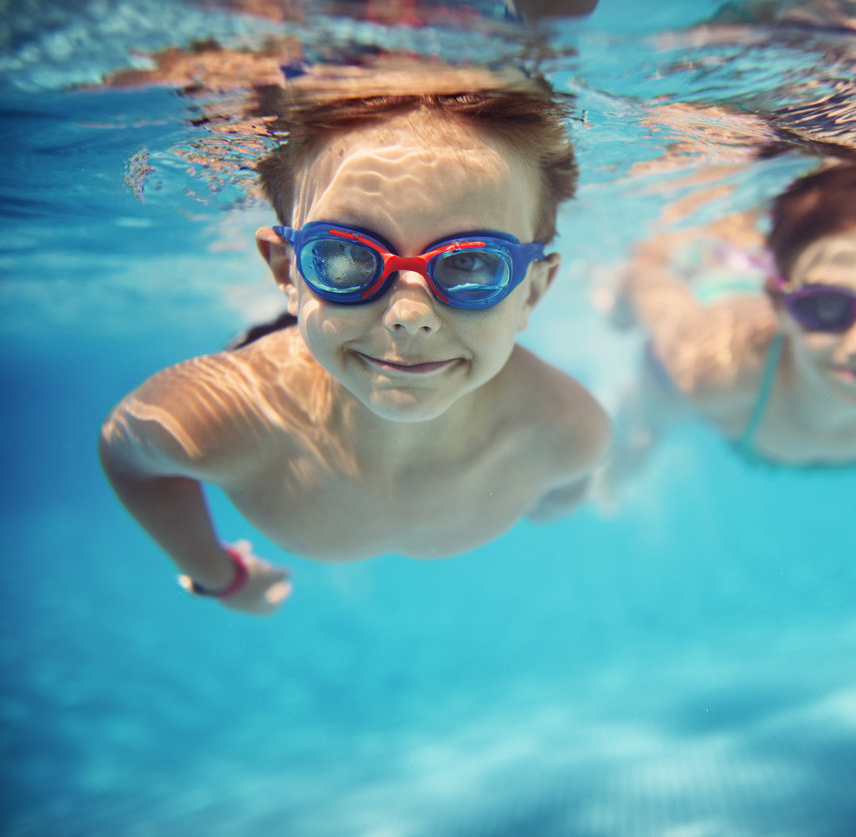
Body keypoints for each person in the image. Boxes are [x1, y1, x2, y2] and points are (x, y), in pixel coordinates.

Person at [99, 61, 611, 615]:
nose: (409, 315)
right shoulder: (218, 418)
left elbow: (569, 485)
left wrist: (555, 496)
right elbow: (126, 456)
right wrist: (217, 575)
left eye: (470, 265)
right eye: (344, 255)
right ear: (285, 272)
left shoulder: (567, 433)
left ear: (532, 293)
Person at [599, 160, 856, 496]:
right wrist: (620, 314)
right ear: (778, 304)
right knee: (650, 421)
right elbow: (646, 276)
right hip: (720, 289)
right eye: (826, 306)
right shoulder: (711, 365)